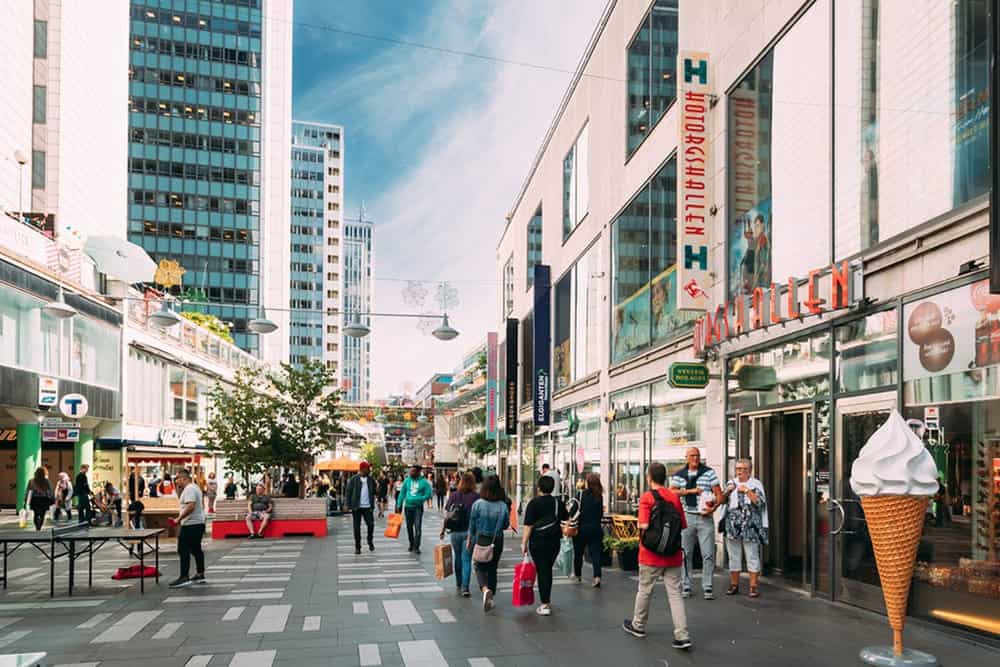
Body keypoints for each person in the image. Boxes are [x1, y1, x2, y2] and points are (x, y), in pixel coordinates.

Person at [623, 462, 691, 650]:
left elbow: (643, 526)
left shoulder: (647, 497)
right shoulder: (674, 497)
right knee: (675, 594)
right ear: (665, 478)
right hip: (673, 554)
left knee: (645, 590)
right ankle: (682, 635)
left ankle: (638, 625)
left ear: (649, 478)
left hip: (650, 555)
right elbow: (682, 525)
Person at [670, 447, 723, 600]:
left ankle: (708, 586)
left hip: (704, 517)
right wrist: (690, 491)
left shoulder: (709, 472)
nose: (695, 458)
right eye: (692, 455)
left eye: (698, 455)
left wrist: (713, 509)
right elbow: (672, 491)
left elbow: (719, 495)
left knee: (708, 554)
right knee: (686, 554)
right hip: (687, 516)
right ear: (686, 457)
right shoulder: (679, 475)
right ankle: (686, 585)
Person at [720, 459, 768, 598]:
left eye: (744, 469)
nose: (740, 471)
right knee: (733, 555)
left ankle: (753, 586)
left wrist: (746, 490)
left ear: (750, 471)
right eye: (738, 469)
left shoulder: (756, 484)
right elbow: (722, 501)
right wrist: (727, 492)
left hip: (750, 524)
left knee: (752, 555)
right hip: (733, 523)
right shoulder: (731, 483)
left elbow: (760, 502)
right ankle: (734, 584)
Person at [521, 475, 568, 616]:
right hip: (554, 542)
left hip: (537, 542)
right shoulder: (557, 503)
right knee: (547, 569)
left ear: (539, 487)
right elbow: (566, 519)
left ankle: (545, 604)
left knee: (542, 571)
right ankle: (546, 601)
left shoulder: (533, 503)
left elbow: (528, 526)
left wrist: (524, 543)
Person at [468, 475, 509, 612]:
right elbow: (505, 525)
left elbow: (472, 525)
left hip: (480, 538)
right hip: (496, 540)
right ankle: (491, 598)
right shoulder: (503, 506)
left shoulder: (478, 504)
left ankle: (485, 589)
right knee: (493, 568)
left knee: (479, 566)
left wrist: (469, 539)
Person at [440, 472, 479, 597]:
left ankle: (458, 582)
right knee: (466, 559)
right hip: (469, 533)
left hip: (455, 532)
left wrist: (442, 529)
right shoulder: (476, 497)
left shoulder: (454, 495)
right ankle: (465, 588)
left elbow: (447, 514)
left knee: (457, 556)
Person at [169, 469, 206, 588]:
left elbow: (190, 506)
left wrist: (178, 519)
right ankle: (200, 574)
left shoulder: (190, 489)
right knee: (195, 549)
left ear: (184, 478)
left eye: (177, 478)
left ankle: (184, 577)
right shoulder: (193, 487)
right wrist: (178, 489)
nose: (176, 481)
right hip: (197, 523)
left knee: (183, 549)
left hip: (191, 524)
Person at [572, 473, 605, 587]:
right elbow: (600, 514)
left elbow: (573, 511)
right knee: (595, 554)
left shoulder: (581, 495)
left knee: (578, 553)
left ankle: (577, 575)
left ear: (588, 483)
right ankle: (597, 577)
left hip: (581, 529)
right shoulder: (599, 496)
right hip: (595, 528)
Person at [396, 465, 434, 554]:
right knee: (409, 527)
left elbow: (428, 494)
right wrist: (399, 504)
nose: (410, 473)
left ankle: (416, 546)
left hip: (418, 508)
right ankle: (411, 543)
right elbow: (402, 493)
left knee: (418, 527)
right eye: (410, 471)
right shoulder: (407, 480)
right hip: (408, 507)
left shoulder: (424, 482)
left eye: (412, 471)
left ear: (418, 472)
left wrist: (420, 499)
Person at [345, 461, 377, 554]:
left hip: (368, 507)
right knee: (356, 527)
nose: (369, 470)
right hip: (356, 507)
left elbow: (374, 491)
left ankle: (369, 540)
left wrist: (377, 490)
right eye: (368, 469)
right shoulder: (354, 479)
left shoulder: (371, 480)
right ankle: (357, 547)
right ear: (363, 469)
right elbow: (348, 492)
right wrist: (347, 504)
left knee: (371, 525)